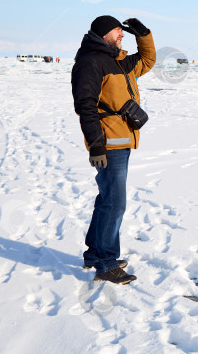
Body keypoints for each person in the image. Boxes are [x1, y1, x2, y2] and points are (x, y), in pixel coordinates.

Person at [71, 15, 155, 284]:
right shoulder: (90, 62)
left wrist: (143, 34)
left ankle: (96, 254)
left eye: (123, 31)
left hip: (121, 140)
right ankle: (106, 264)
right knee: (115, 203)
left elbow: (147, 61)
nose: (122, 35)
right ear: (105, 33)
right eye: (119, 31)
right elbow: (86, 106)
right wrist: (96, 146)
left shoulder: (118, 61)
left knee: (106, 200)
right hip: (107, 144)